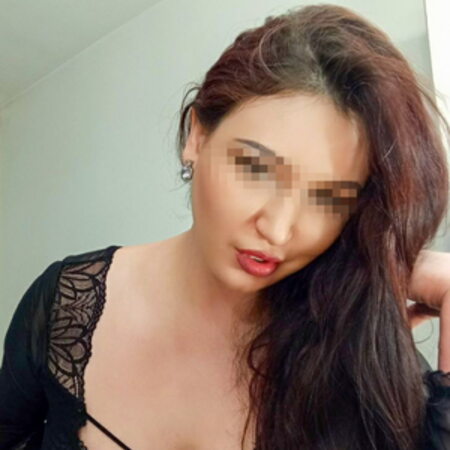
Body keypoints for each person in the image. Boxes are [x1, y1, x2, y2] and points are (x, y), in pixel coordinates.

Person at [1, 3, 450, 449]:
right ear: (197, 136)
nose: (278, 230)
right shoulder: (64, 304)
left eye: (328, 198)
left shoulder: (360, 358)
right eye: (257, 169)